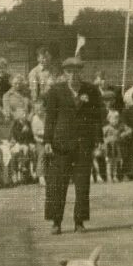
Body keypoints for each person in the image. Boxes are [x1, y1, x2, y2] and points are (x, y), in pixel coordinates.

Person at [43, 57, 103, 235]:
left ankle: (79, 222)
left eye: (76, 71)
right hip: (60, 145)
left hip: (84, 144)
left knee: (83, 185)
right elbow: (50, 118)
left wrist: (99, 140)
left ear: (81, 73)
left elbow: (96, 117)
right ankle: (56, 222)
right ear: (64, 73)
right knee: (57, 185)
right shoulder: (55, 91)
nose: (73, 75)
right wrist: (47, 141)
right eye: (69, 71)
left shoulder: (91, 90)